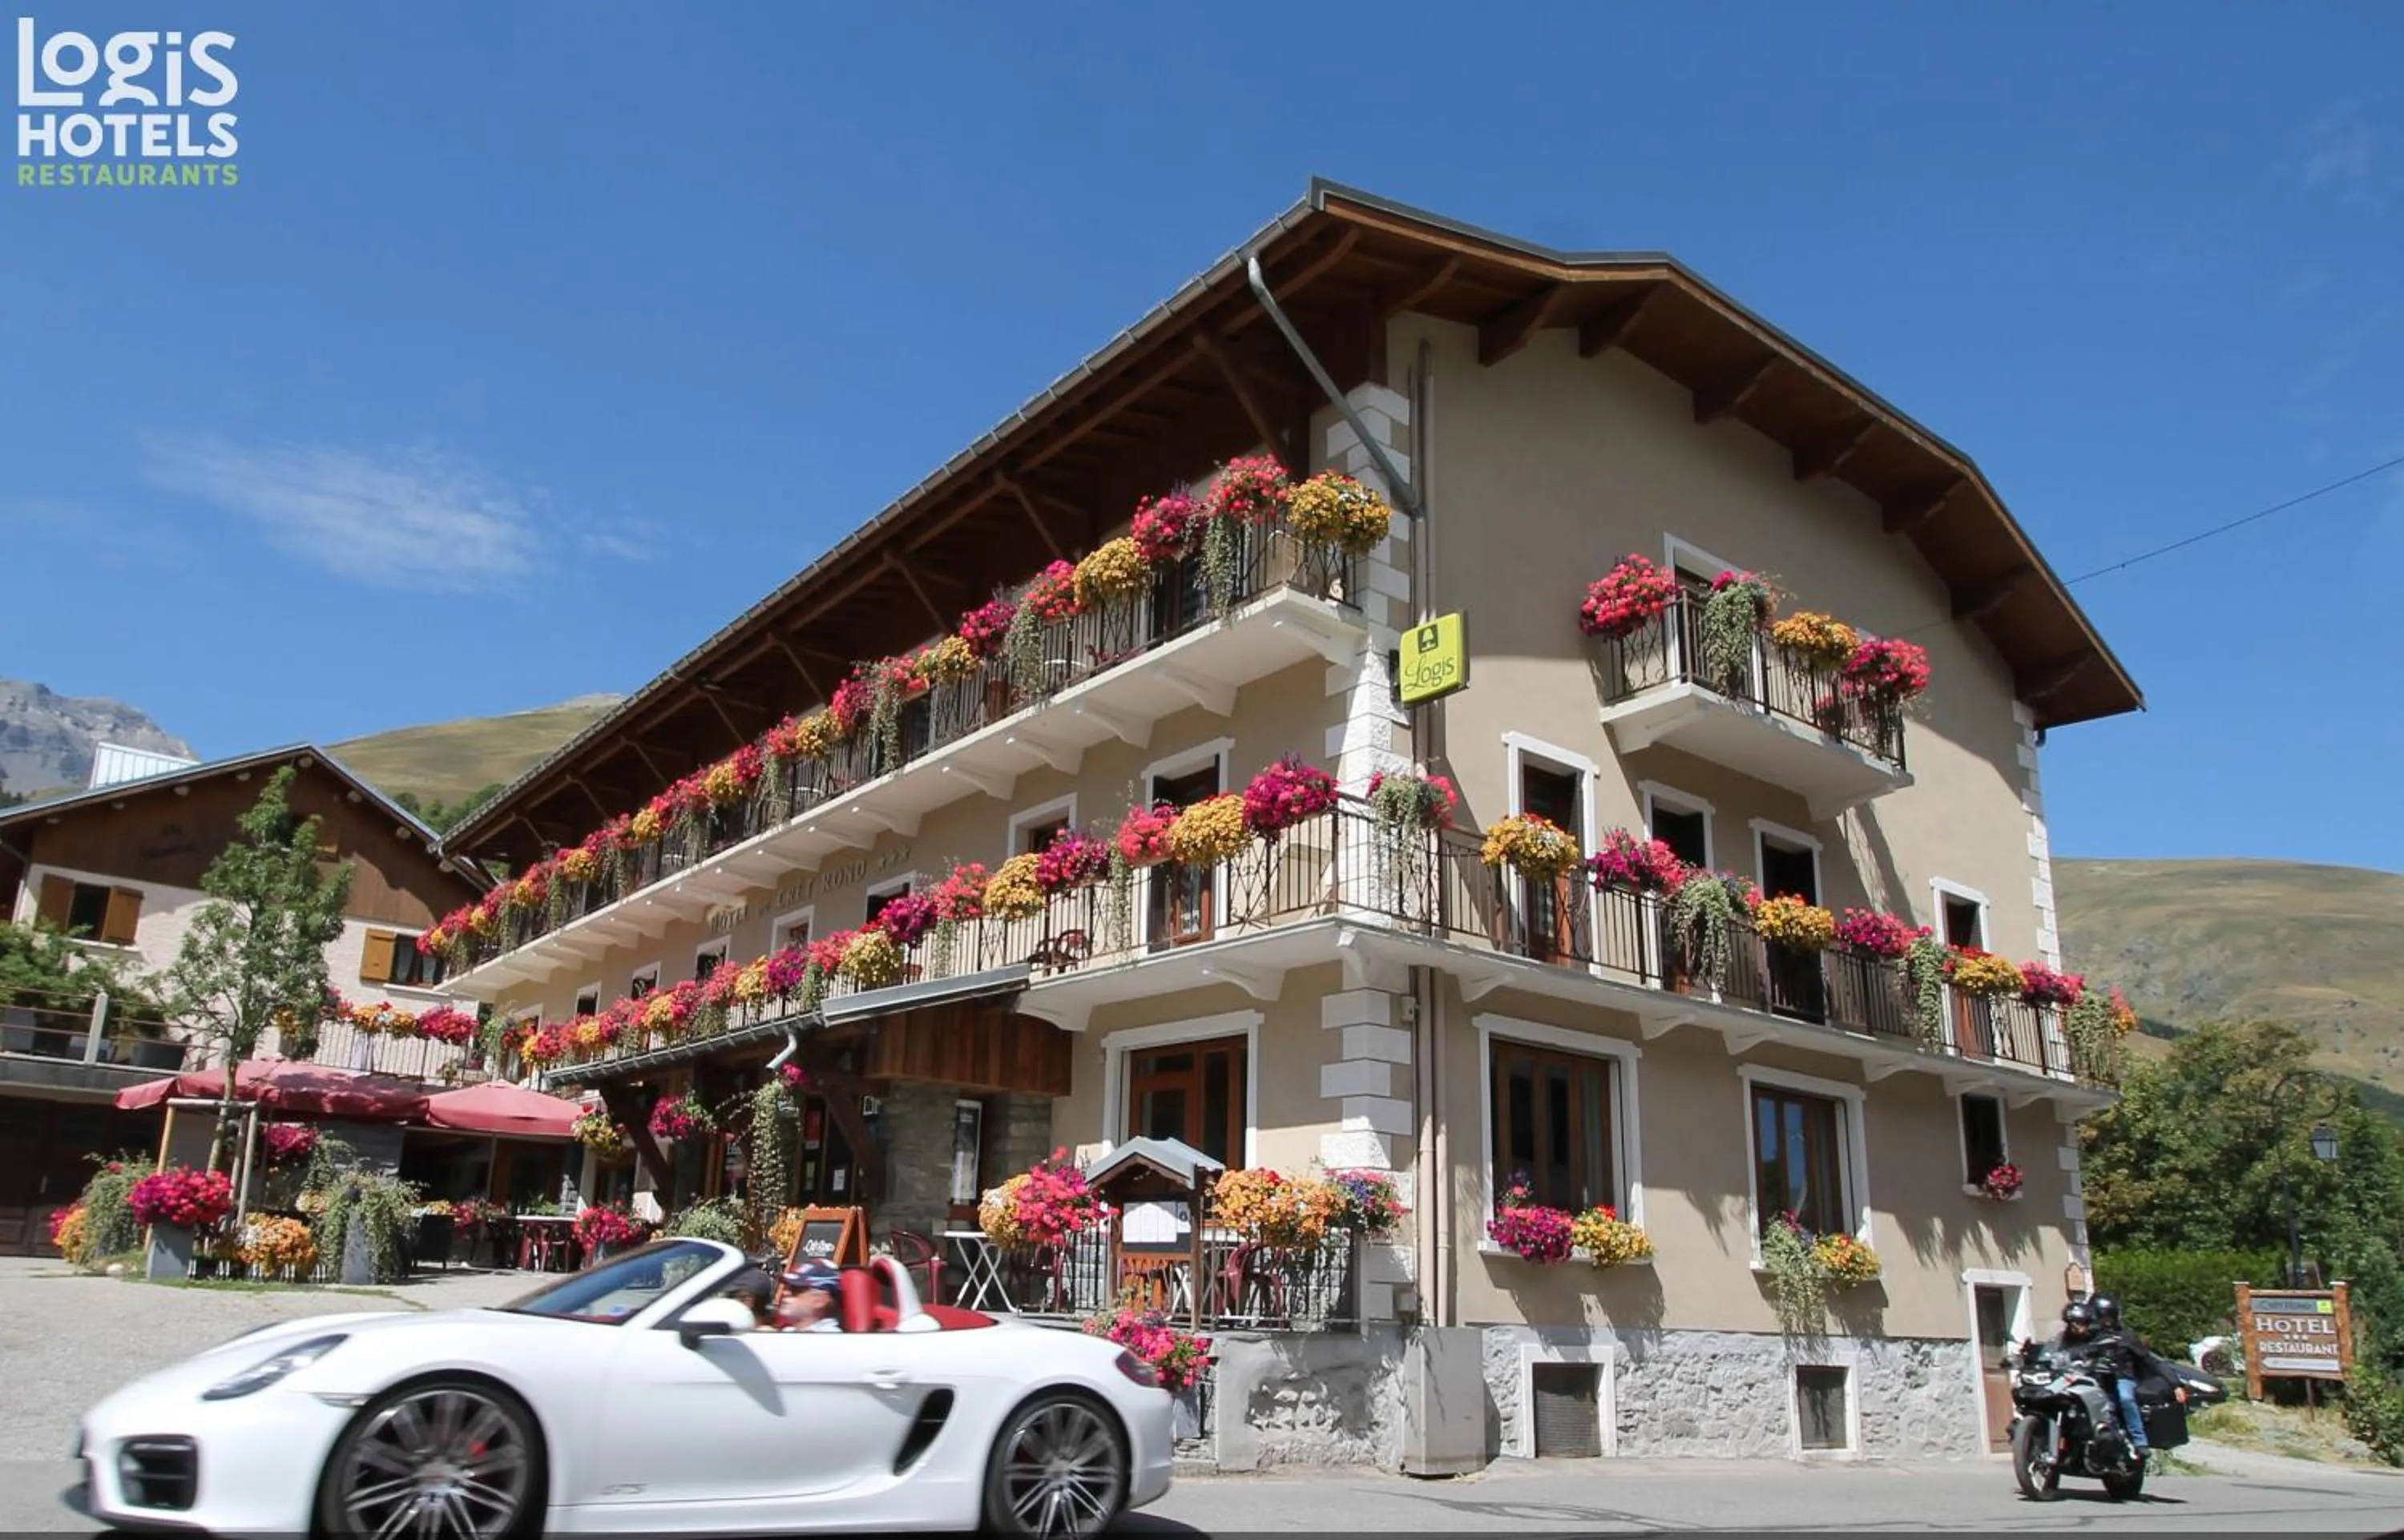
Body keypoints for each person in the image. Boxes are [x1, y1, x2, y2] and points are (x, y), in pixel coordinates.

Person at [2088, 1293, 2151, 1463]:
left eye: (2108, 1317)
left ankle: (2140, 1441)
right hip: (2093, 1379)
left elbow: (2146, 1358)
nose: (2105, 1321)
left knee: (2126, 1397)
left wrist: (2173, 1382)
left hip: (2121, 1378)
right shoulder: (2086, 1337)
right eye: (2101, 1317)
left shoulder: (2126, 1336)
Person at [773, 1260, 845, 1332]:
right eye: (786, 1287)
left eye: (795, 1289)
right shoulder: (787, 1331)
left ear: (820, 1300)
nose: (785, 1293)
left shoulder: (829, 1339)